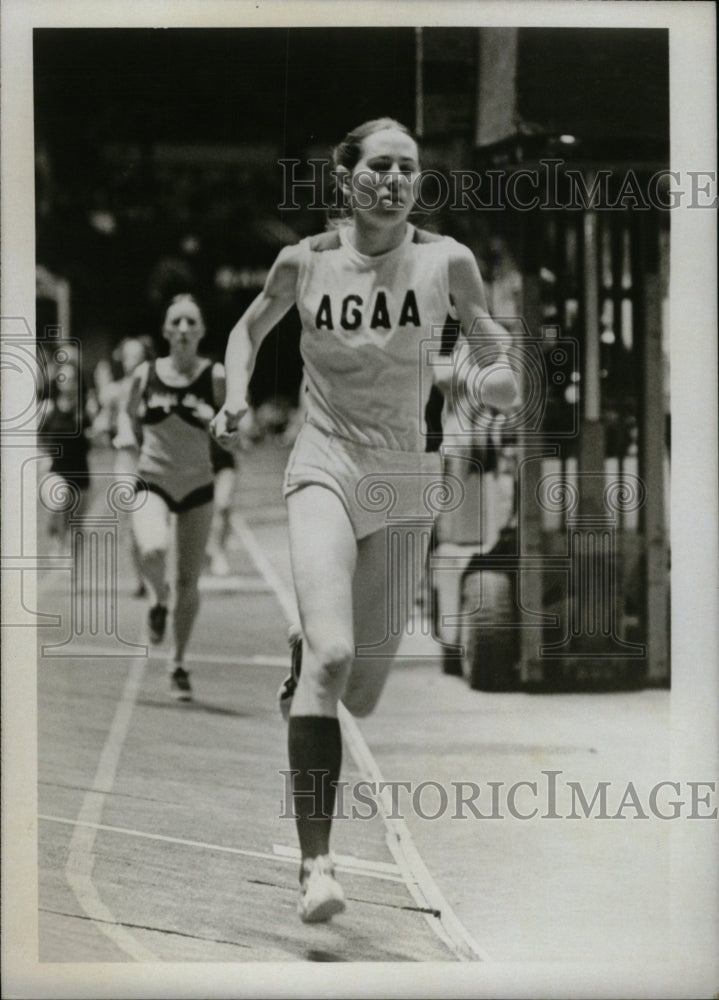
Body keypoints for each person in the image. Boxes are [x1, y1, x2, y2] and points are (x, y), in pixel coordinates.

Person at [211, 118, 518, 922]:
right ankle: (317, 865)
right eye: (378, 166)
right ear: (345, 177)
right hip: (324, 458)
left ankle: (308, 649)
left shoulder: (446, 260)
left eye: (408, 169)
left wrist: (495, 380)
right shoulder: (303, 261)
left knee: (366, 692)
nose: (393, 180)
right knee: (333, 656)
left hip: (401, 474)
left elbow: (492, 350)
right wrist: (237, 395)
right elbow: (246, 330)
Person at [115, 294, 225, 700]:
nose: (182, 329)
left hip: (198, 485)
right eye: (175, 322)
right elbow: (129, 416)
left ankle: (178, 661)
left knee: (189, 580)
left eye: (190, 322)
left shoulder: (215, 375)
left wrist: (220, 423)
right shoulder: (145, 374)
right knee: (152, 549)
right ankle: (158, 601)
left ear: (201, 331)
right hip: (154, 479)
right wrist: (137, 442)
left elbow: (231, 427)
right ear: (164, 331)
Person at [94, 336, 155, 597]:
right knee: (131, 523)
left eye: (137, 355)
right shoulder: (116, 391)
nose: (131, 360)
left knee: (152, 521)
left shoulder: (153, 388)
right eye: (127, 355)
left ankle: (154, 575)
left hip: (152, 460)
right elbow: (101, 422)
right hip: (127, 461)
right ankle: (141, 579)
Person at [38, 358, 92, 550]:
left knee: (77, 524)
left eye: (71, 378)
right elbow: (35, 437)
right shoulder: (48, 408)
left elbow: (98, 437)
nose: (67, 382)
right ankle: (57, 543)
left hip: (80, 473)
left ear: (78, 381)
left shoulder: (86, 408)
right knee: (57, 502)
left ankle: (75, 568)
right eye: (63, 377)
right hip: (56, 471)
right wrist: (43, 456)